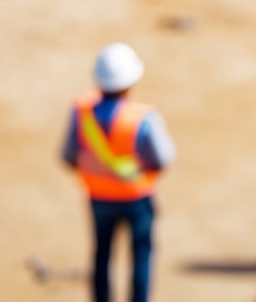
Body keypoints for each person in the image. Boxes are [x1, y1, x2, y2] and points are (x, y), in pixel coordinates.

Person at [62, 43, 175, 302]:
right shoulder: (143, 119)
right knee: (141, 257)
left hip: (98, 198)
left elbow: (68, 157)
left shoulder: (82, 114)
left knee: (102, 255)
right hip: (137, 199)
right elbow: (162, 159)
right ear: (130, 83)